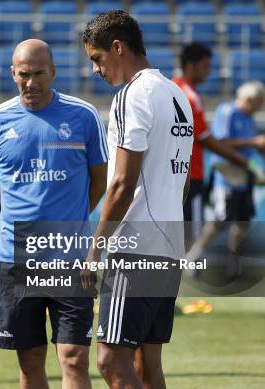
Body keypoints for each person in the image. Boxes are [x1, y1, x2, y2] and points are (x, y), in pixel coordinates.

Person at [0, 39, 108, 389]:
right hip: (16, 259)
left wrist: (72, 219)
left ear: (53, 72)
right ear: (12, 73)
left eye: (38, 74)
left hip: (71, 259)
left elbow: (99, 180)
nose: (31, 83)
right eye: (23, 75)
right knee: (30, 364)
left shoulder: (84, 116)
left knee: (74, 359)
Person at [81, 10, 193, 389]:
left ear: (118, 47)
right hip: (169, 245)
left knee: (112, 360)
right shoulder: (177, 94)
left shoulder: (132, 95)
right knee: (148, 364)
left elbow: (121, 185)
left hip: (135, 248)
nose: (95, 70)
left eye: (97, 58)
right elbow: (182, 181)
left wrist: (95, 250)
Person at [172, 43, 250, 244]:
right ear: (191, 65)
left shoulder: (172, 88)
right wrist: (237, 158)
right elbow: (204, 137)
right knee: (189, 234)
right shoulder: (188, 96)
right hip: (190, 175)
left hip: (172, 173)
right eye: (206, 66)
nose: (209, 71)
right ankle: (181, 272)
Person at [186, 81, 265, 278]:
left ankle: (234, 265)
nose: (261, 106)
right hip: (226, 176)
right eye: (259, 102)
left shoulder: (249, 119)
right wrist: (253, 142)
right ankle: (193, 258)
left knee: (243, 221)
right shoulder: (227, 111)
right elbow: (221, 141)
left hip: (244, 177)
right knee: (222, 218)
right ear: (250, 99)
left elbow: (251, 145)